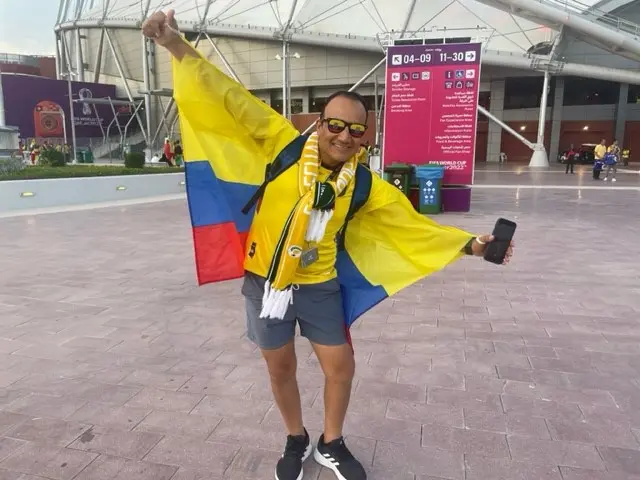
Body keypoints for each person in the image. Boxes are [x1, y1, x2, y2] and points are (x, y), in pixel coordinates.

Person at [143, 10, 514, 480]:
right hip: (265, 285)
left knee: (341, 368)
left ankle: (331, 442)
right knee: (280, 370)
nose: (344, 135)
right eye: (336, 125)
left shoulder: (365, 184)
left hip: (320, 286)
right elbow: (229, 97)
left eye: (356, 130)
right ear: (320, 122)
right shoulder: (283, 143)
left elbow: (411, 225)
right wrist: (176, 45)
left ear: (366, 137)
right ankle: (295, 438)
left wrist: (473, 246)